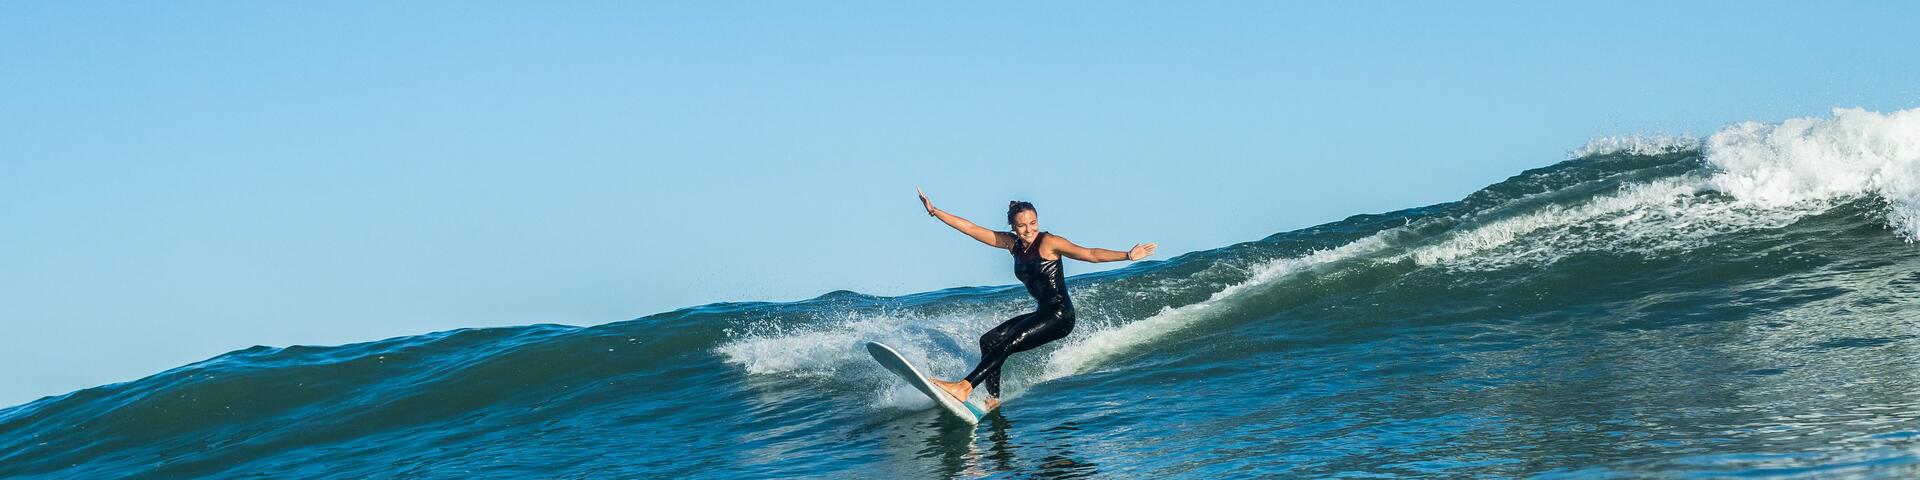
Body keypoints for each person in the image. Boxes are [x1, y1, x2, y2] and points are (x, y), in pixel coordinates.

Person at [916, 187, 1156, 411]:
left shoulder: (1049, 242)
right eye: (1022, 226)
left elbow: (1089, 253)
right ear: (1013, 226)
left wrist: (1127, 255)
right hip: (1042, 312)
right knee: (989, 340)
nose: (1029, 230)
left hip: (1060, 316)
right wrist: (935, 212)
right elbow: (971, 229)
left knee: (1007, 343)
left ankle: (964, 387)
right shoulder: (1013, 245)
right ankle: (993, 399)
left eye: (1033, 223)